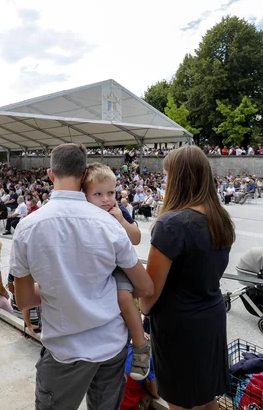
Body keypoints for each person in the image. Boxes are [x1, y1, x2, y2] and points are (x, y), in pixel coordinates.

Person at [10, 143, 153, 410]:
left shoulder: (27, 227)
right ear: (84, 172)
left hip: (65, 350)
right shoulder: (109, 223)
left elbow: (25, 298)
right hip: (111, 345)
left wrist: (59, 286)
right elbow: (145, 287)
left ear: (51, 174)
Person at [140, 146, 235, 410]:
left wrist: (144, 310)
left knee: (179, 400)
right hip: (211, 315)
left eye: (166, 175)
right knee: (206, 398)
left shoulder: (171, 224)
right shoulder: (220, 218)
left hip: (179, 324)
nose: (164, 181)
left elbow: (149, 293)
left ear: (178, 178)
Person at [82, 163, 148, 380]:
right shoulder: (84, 213)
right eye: (98, 194)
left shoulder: (118, 210)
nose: (106, 199)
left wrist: (120, 220)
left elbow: (136, 238)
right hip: (98, 267)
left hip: (121, 267)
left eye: (110, 192)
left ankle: (140, 346)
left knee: (122, 297)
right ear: (85, 195)